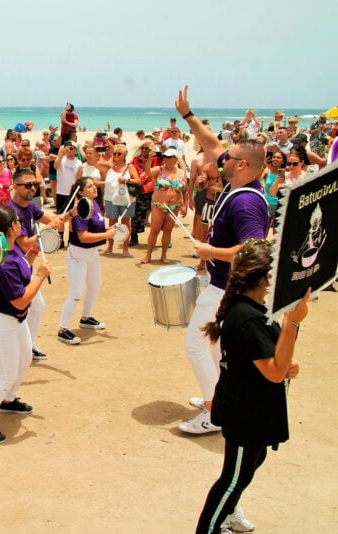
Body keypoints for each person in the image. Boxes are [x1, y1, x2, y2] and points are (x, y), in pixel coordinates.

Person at [175, 86, 270, 456]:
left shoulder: (245, 201)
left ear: (242, 165)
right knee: (214, 348)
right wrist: (187, 115)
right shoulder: (240, 180)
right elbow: (213, 143)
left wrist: (209, 250)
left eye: (229, 157)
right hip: (222, 285)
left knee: (196, 344)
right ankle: (220, 399)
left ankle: (216, 414)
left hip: (225, 287)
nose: (220, 157)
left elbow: (254, 249)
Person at [195, 240, 310, 534]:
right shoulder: (246, 317)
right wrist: (292, 325)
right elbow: (273, 372)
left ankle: (228, 513)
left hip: (253, 409)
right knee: (233, 479)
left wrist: (287, 363)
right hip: (245, 413)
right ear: (263, 276)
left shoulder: (256, 309)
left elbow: (273, 359)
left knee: (251, 465)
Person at [0, 206, 50, 444]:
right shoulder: (3, 262)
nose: (22, 223)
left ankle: (8, 400)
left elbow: (21, 270)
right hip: (0, 320)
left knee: (25, 358)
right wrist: (40, 276)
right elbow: (21, 299)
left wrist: (32, 257)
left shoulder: (10, 251)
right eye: (19, 221)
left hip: (14, 319)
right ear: (13, 227)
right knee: (5, 375)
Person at [8, 168, 66, 360]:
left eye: (35, 184)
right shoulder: (12, 212)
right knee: (18, 313)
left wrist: (64, 218)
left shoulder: (30, 206)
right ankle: (19, 350)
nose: (32, 188)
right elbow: (24, 243)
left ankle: (28, 346)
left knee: (36, 306)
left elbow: (51, 219)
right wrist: (48, 227)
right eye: (28, 185)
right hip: (14, 270)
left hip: (25, 267)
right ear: (15, 186)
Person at [58, 177, 116, 344]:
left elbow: (97, 227)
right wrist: (107, 235)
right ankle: (62, 328)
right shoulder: (81, 208)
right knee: (76, 293)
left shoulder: (94, 203)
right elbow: (83, 237)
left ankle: (86, 317)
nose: (94, 188)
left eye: (94, 185)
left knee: (95, 285)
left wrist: (110, 229)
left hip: (92, 253)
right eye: (90, 186)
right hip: (78, 254)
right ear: (81, 191)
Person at [140, 148, 188, 265]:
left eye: (169, 157)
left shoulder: (182, 173)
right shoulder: (159, 170)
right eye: (165, 156)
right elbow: (147, 173)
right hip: (158, 205)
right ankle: (148, 255)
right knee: (154, 231)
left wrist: (184, 205)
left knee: (168, 231)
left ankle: (164, 255)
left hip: (174, 206)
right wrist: (149, 159)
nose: (166, 159)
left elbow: (185, 190)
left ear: (175, 159)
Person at [102, 144, 139, 257]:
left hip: (126, 198)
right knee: (112, 223)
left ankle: (125, 248)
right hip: (110, 198)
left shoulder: (129, 167)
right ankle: (110, 247)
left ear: (124, 155)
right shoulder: (109, 166)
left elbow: (138, 181)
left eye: (119, 154)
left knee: (126, 224)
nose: (116, 156)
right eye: (115, 153)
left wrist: (127, 180)